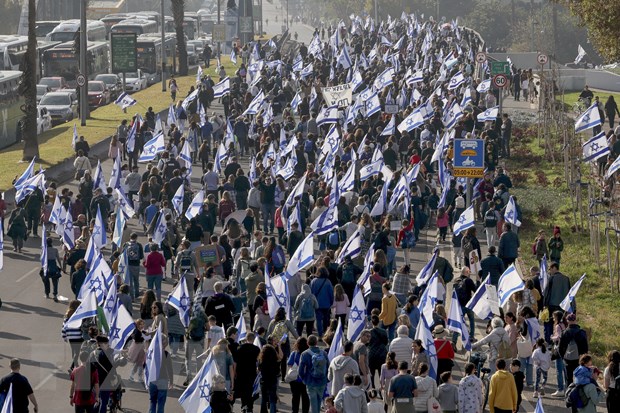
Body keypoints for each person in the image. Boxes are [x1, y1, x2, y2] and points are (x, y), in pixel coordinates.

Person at [299, 335, 329, 413]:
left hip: (310, 381)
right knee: (319, 402)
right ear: (316, 343)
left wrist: (303, 379)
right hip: (322, 381)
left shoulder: (305, 354)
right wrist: (326, 378)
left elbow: (300, 370)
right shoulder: (323, 353)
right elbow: (328, 366)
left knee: (313, 404)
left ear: (307, 343)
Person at [560, 313, 589, 385]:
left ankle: (568, 393)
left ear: (567, 321)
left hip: (567, 358)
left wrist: (562, 357)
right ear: (576, 320)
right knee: (579, 377)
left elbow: (561, 347)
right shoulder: (582, 332)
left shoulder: (564, 332)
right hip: (579, 358)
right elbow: (585, 347)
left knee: (568, 379)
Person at [287, 336, 310, 413]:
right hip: (305, 379)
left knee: (295, 398)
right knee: (305, 398)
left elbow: (289, 364)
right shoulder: (308, 354)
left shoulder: (294, 353)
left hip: (294, 379)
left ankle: (295, 411)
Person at [258, 338, 281, 413]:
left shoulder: (261, 361)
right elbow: (278, 371)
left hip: (264, 380)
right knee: (272, 399)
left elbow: (259, 369)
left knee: (264, 399)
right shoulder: (275, 361)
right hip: (273, 380)